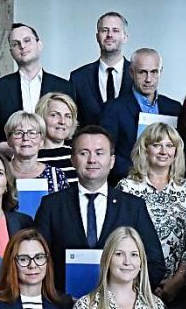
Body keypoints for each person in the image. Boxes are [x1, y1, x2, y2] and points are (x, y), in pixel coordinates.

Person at [35, 125, 166, 291]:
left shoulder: (133, 207)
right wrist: (58, 298)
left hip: (119, 304)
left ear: (112, 161)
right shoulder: (51, 205)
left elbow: (155, 264)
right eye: (84, 153)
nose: (92, 160)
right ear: (73, 160)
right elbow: (37, 260)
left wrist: (125, 293)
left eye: (99, 153)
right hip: (63, 303)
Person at [117, 121, 186, 301]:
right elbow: (119, 239)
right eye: (157, 145)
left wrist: (177, 281)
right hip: (131, 283)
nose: (164, 151)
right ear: (145, 149)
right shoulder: (126, 188)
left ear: (176, 151)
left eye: (170, 146)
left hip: (178, 287)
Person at [0, 23, 76, 153]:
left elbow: (75, 130)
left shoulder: (64, 86)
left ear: (39, 45)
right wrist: (0, 147)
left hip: (56, 159)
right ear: (11, 52)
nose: (22, 46)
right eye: (16, 44)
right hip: (13, 162)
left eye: (27, 40)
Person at [99, 48, 181, 180]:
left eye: (154, 72)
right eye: (142, 72)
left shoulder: (174, 108)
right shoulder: (113, 109)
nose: (149, 79)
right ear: (131, 73)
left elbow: (179, 151)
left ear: (160, 72)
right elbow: (106, 152)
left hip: (166, 182)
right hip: (129, 181)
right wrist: (140, 172)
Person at [69, 11, 132, 125]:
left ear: (125, 37)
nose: (109, 35)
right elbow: (72, 120)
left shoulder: (138, 75)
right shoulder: (79, 78)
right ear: (97, 37)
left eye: (115, 30)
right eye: (104, 30)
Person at [4, 111, 68, 193]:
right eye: (18, 133)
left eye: (32, 133)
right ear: (9, 141)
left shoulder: (56, 176)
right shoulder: (0, 172)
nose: (25, 138)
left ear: (42, 141)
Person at [35, 92, 78, 182]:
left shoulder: (79, 153)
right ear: (41, 117)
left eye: (68, 116)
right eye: (54, 115)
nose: (62, 121)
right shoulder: (30, 155)